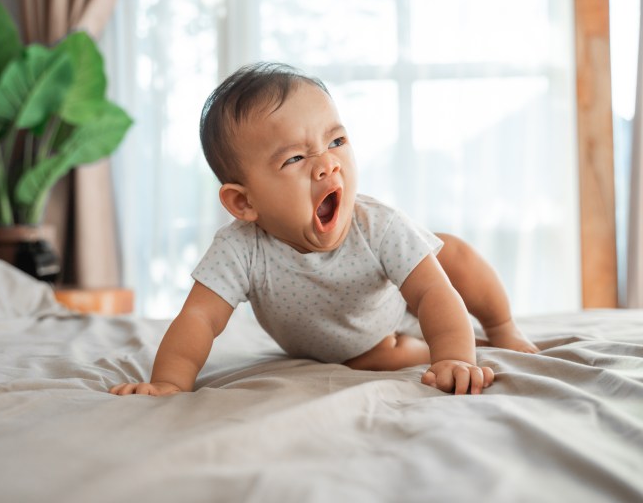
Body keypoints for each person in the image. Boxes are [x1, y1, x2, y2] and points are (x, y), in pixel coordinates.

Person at [111, 62, 539, 398]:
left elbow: (432, 294)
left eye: (336, 143)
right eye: (295, 158)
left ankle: (500, 329)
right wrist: (169, 382)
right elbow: (199, 318)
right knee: (377, 358)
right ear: (244, 202)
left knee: (451, 254)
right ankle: (429, 346)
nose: (328, 163)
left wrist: (455, 359)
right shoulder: (240, 250)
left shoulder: (378, 225)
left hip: (399, 304)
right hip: (356, 344)